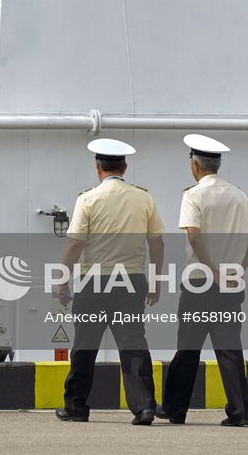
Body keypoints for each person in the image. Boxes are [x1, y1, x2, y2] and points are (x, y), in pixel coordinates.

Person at [55, 138, 165, 425]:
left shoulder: (88, 199)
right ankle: (144, 407)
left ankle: (76, 407)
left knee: (85, 345)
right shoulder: (144, 198)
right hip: (131, 281)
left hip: (94, 282)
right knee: (133, 344)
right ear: (125, 167)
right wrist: (155, 281)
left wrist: (62, 281)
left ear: (97, 168)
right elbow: (157, 244)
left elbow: (75, 244)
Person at [158, 134, 248, 427]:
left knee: (188, 347)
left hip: (200, 284)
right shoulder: (239, 195)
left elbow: (193, 233)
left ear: (195, 165)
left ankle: (175, 409)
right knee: (229, 348)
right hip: (231, 285)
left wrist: (212, 270)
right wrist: (239, 268)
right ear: (217, 164)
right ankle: (241, 412)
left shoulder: (193, 195)